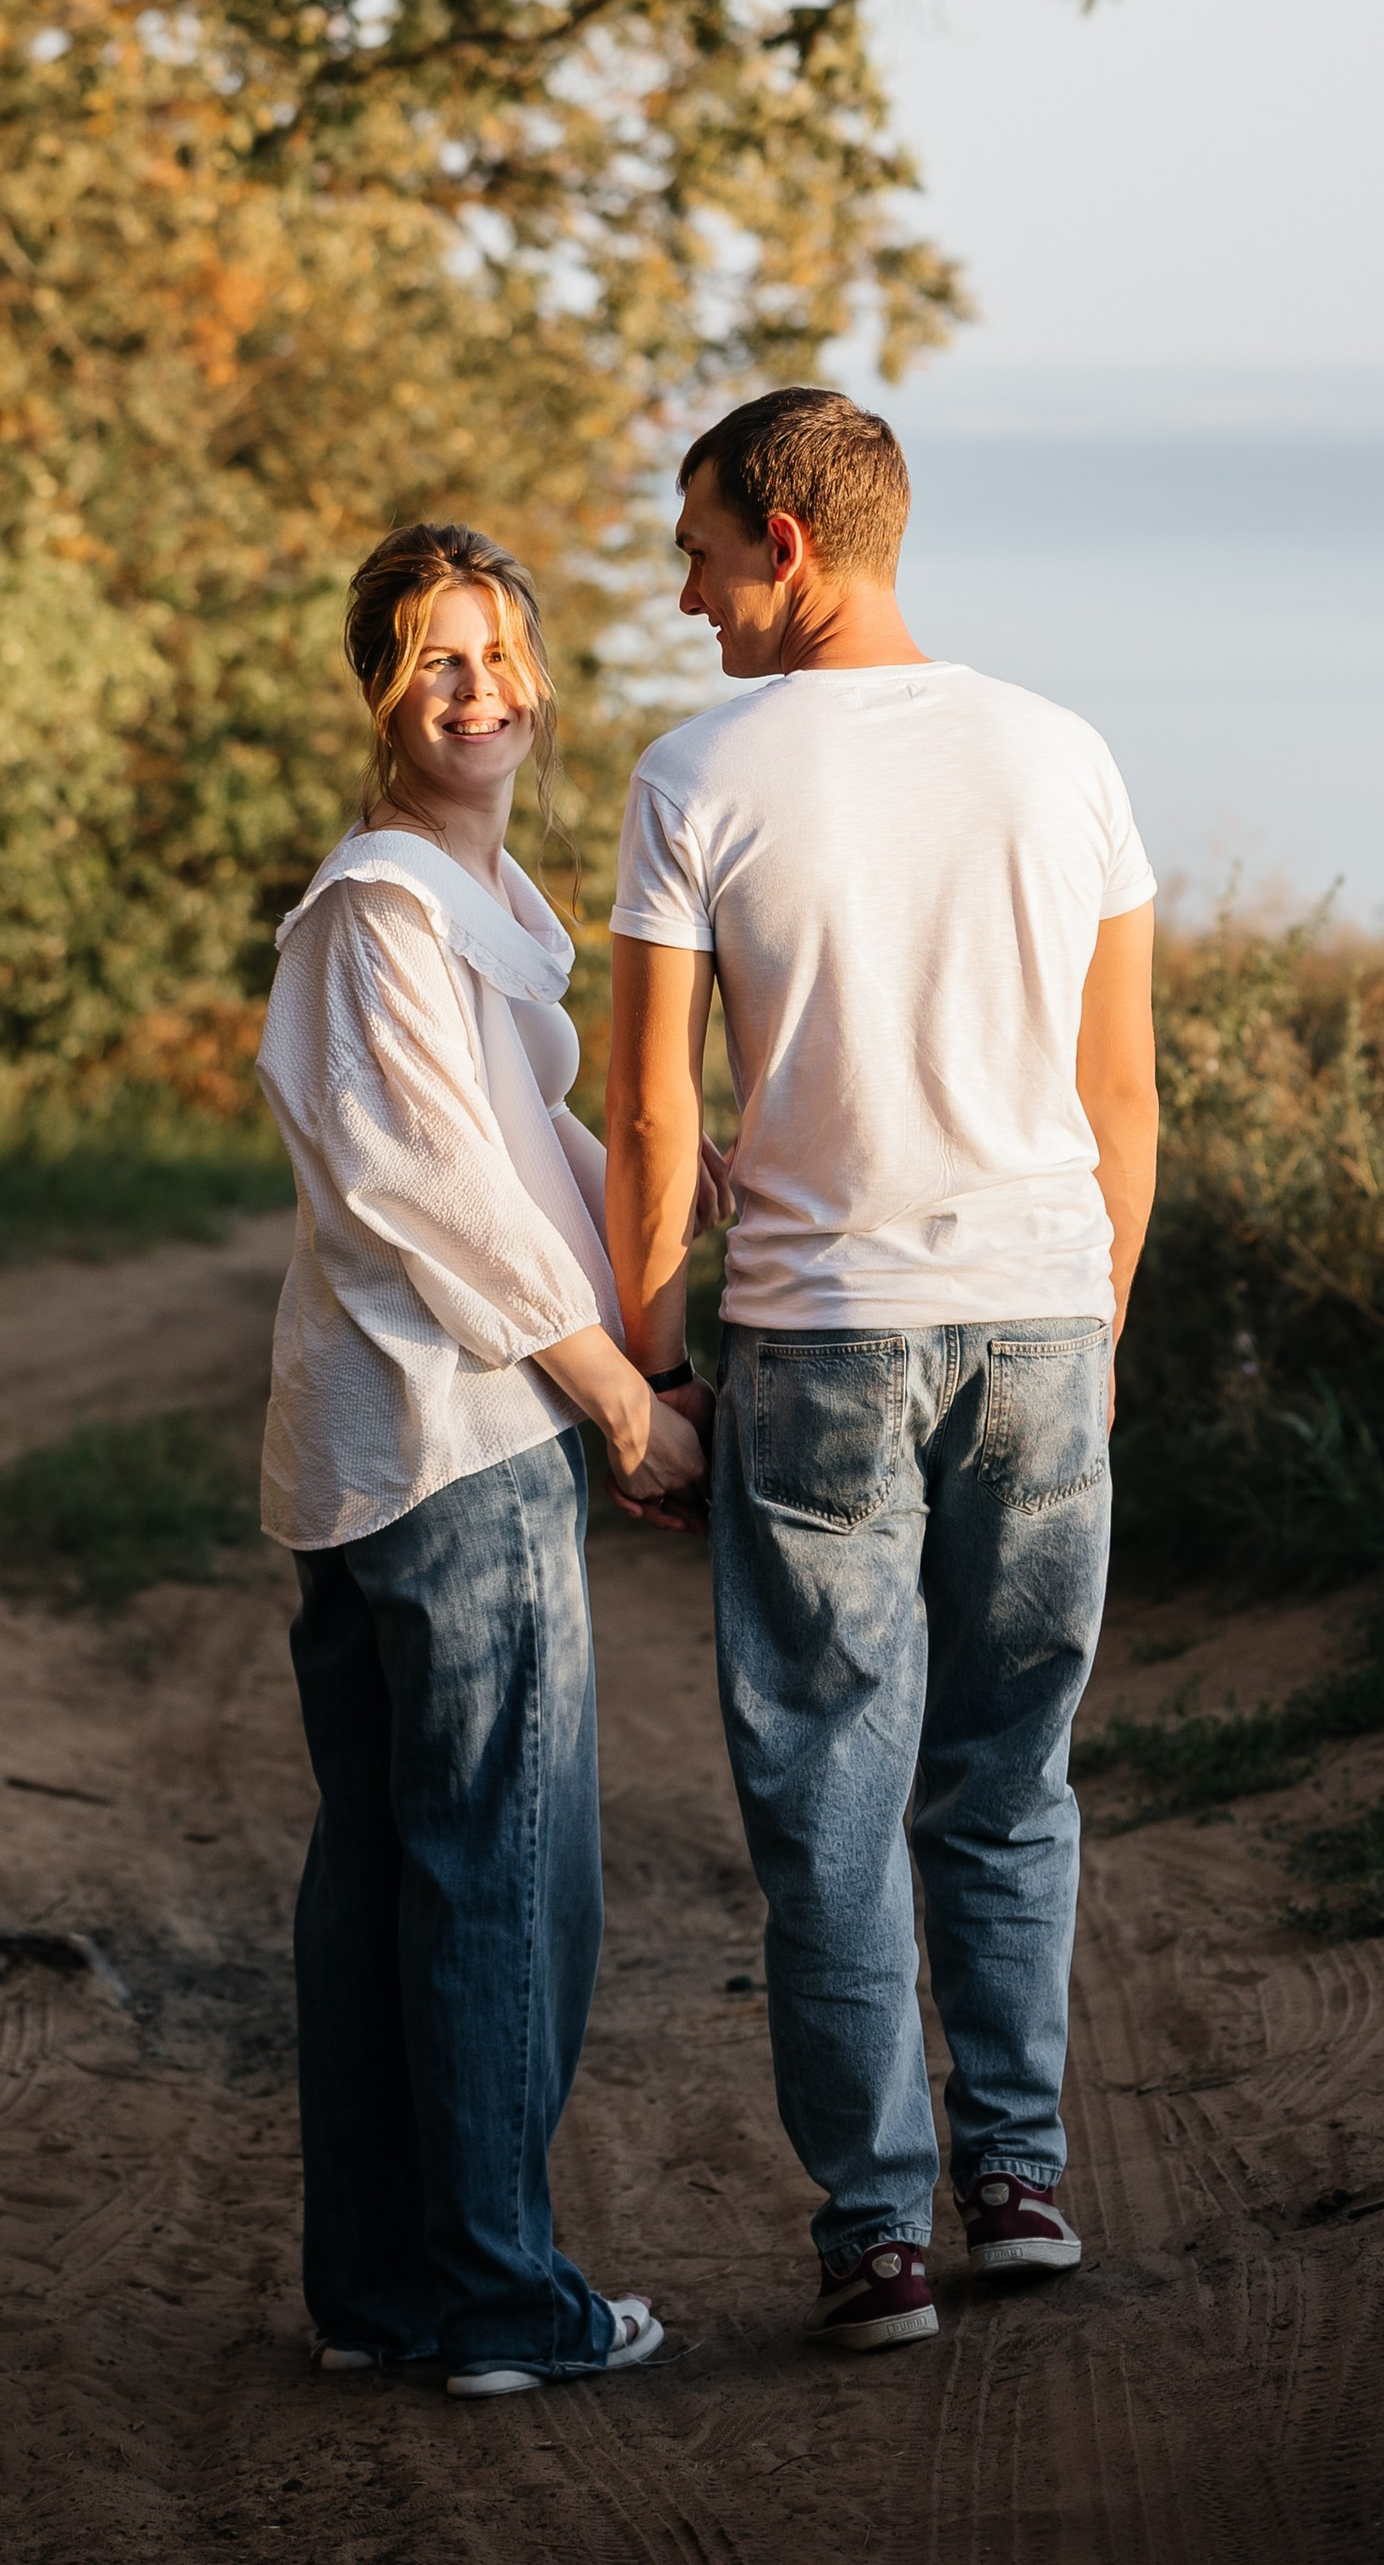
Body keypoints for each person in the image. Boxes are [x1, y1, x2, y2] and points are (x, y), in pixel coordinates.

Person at [605, 390, 1160, 2352]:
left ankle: (875, 2242)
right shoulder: (1060, 753)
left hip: (820, 1342)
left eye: (694, 550)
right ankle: (1015, 2185)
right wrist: (1083, 1329)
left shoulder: (695, 772)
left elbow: (654, 1119)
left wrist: (653, 1362)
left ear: (784, 539)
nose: (682, 595)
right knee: (1007, 1782)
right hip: (1032, 1325)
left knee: (828, 1800)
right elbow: (1118, 1097)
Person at [254, 520, 708, 2396]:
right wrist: (619, 1392)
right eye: (436, 658)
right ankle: (502, 2302)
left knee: (393, 1873)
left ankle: (381, 2286)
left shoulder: (485, 904)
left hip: (402, 1449)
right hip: (452, 1443)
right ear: (381, 689)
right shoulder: (382, 906)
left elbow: (538, 1157)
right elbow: (431, 1193)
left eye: (500, 651)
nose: (479, 688)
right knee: (500, 1881)